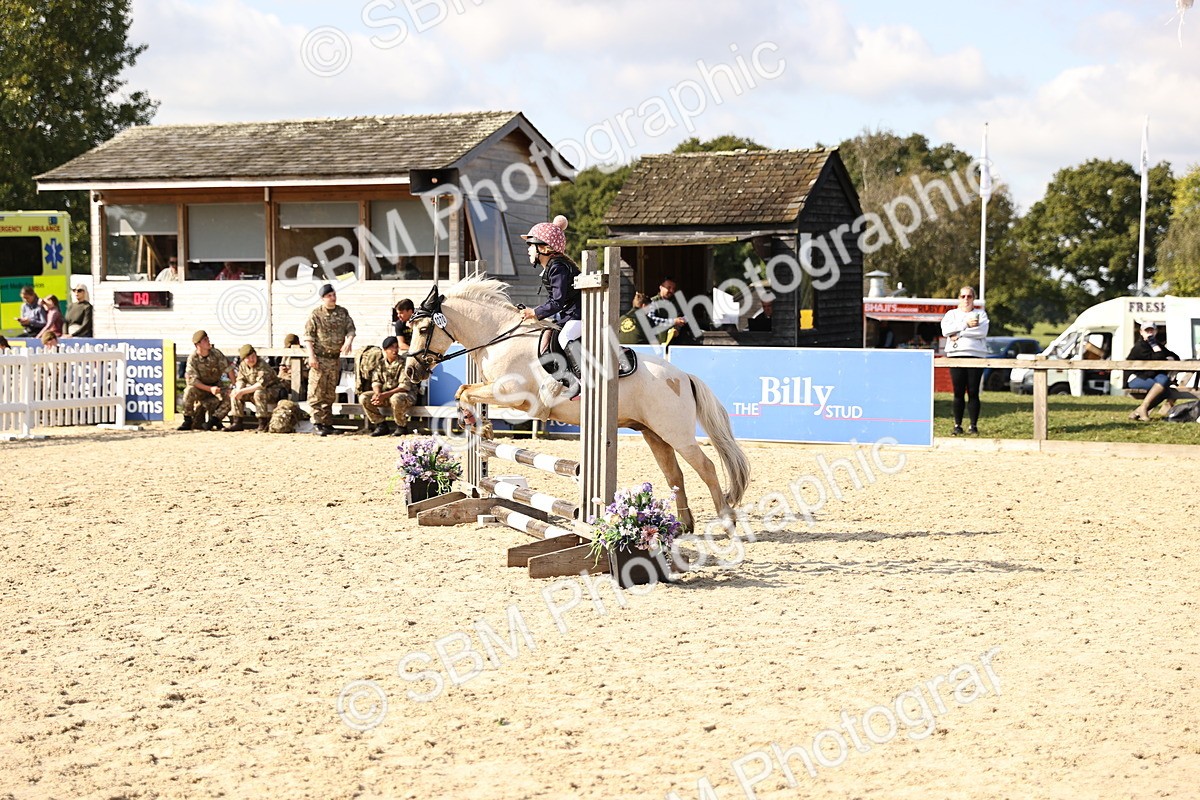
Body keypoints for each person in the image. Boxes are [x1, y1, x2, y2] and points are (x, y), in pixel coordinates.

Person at [519, 215, 582, 398]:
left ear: (543, 248)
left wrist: (535, 312)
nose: (528, 250)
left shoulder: (557, 267)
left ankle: (583, 382)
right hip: (571, 313)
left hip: (581, 314)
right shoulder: (553, 267)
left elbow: (557, 302)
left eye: (531, 245)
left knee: (565, 337)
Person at [304, 283, 356, 436]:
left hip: (334, 360)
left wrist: (348, 342)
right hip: (320, 359)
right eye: (329, 296)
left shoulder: (342, 312)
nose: (333, 298)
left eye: (334, 295)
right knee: (316, 393)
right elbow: (308, 337)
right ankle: (317, 423)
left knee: (329, 393)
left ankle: (327, 423)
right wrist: (311, 356)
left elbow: (351, 330)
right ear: (323, 298)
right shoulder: (316, 314)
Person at [940, 286, 989, 435]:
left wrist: (959, 334)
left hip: (976, 355)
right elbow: (946, 331)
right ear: (959, 298)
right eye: (963, 296)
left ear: (974, 298)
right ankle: (957, 425)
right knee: (958, 392)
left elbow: (982, 332)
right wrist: (966, 325)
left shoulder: (980, 314)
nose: (966, 299)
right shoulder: (951, 314)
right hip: (956, 355)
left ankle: (973, 425)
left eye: (969, 296)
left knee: (973, 391)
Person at [180, 330, 235, 431]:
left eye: (208, 339)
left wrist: (234, 386)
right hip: (201, 387)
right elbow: (193, 380)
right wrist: (210, 389)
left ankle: (214, 421)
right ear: (198, 344)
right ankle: (187, 420)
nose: (208, 341)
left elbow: (229, 369)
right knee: (189, 390)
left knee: (231, 395)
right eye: (205, 340)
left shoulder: (216, 353)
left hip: (217, 386)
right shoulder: (193, 358)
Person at [362, 335, 417, 436]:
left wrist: (384, 395)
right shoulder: (381, 364)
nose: (394, 350)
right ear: (385, 350)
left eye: (396, 347)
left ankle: (401, 426)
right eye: (391, 348)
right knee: (364, 397)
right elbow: (376, 381)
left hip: (405, 396)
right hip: (386, 395)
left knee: (396, 398)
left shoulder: (404, 363)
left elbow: (404, 387)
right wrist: (377, 394)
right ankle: (381, 425)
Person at [1126, 321, 1180, 421]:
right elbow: (1158, 357)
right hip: (1137, 378)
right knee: (1164, 386)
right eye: (1147, 331)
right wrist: (1154, 344)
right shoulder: (1139, 347)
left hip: (1153, 376)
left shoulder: (1157, 345)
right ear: (1141, 332)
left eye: (1152, 330)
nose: (1150, 333)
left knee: (1165, 386)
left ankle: (1138, 411)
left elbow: (1175, 357)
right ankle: (1143, 409)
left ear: (1156, 331)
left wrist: (1168, 357)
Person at [229, 344, 286, 432]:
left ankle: (262, 422)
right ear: (244, 359)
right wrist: (238, 390)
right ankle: (237, 422)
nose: (251, 359)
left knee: (259, 393)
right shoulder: (243, 366)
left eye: (253, 356)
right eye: (248, 358)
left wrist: (242, 391)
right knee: (234, 393)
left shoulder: (262, 365)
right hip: (255, 389)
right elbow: (241, 380)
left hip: (273, 391)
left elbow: (260, 385)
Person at [648, 277, 702, 347]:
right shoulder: (652, 302)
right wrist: (673, 322)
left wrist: (680, 324)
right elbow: (652, 320)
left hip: (676, 340)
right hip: (658, 341)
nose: (671, 291)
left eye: (673, 289)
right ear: (661, 287)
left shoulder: (677, 302)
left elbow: (687, 316)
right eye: (669, 288)